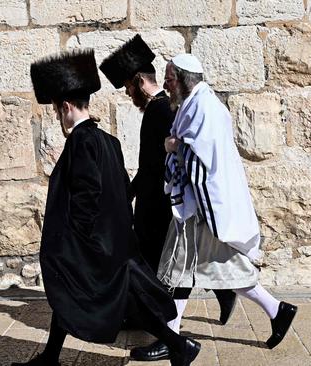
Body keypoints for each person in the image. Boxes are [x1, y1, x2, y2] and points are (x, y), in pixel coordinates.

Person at [11, 49, 200, 366]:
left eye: (58, 112)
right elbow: (121, 191)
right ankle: (51, 357)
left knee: (79, 291)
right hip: (114, 241)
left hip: (95, 244)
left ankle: (178, 345)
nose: (59, 118)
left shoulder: (82, 142)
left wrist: (78, 242)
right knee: (70, 295)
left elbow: (88, 193)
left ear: (68, 107)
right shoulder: (108, 141)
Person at [131, 54, 298, 356]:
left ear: (182, 79)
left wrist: (173, 146)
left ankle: (174, 341)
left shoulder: (204, 107)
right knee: (202, 271)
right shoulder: (193, 104)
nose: (166, 85)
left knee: (187, 270)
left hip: (202, 208)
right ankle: (276, 311)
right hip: (197, 207)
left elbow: (199, 155)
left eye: (169, 79)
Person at [100, 36, 237, 361]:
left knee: (163, 269)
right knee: (162, 267)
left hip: (161, 207)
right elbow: (149, 163)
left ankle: (166, 331)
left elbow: (170, 162)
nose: (127, 94)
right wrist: (129, 194)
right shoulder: (160, 109)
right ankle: (221, 290)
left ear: (138, 82)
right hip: (151, 203)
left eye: (127, 87)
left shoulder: (163, 110)